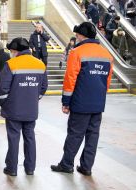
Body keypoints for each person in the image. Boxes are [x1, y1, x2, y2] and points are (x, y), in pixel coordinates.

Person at [51, 22, 113, 176]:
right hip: (98, 103)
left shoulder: (76, 52)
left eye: (77, 34)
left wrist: (66, 102)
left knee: (75, 133)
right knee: (93, 135)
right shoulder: (107, 55)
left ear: (80, 35)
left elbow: (70, 78)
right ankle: (86, 167)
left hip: (80, 103)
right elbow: (108, 81)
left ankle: (66, 164)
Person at [0, 37, 48, 176]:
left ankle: (12, 169)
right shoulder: (40, 64)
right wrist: (34, 99)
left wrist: (4, 103)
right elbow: (44, 87)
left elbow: (2, 89)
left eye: (12, 50)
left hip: (14, 109)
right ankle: (30, 168)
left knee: (14, 138)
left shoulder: (11, 64)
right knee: (30, 137)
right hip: (31, 109)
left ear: (16, 51)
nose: (11, 53)